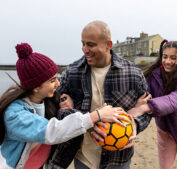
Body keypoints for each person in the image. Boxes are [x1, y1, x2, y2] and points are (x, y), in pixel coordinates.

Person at [0, 43, 129, 169]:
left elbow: (68, 119)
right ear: (35, 87)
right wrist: (96, 115)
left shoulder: (48, 99)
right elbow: (52, 131)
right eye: (52, 80)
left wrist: (140, 109)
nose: (58, 83)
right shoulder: (15, 115)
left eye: (57, 78)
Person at [52, 20, 152, 169]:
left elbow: (147, 110)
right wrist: (70, 112)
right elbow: (55, 109)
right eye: (83, 44)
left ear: (108, 45)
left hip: (118, 158)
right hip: (82, 156)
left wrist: (135, 126)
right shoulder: (71, 72)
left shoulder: (133, 73)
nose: (85, 49)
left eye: (91, 44)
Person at [128, 40, 177, 169]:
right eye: (165, 57)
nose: (167, 61)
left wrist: (146, 107)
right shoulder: (153, 76)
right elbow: (142, 95)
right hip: (165, 131)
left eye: (173, 58)